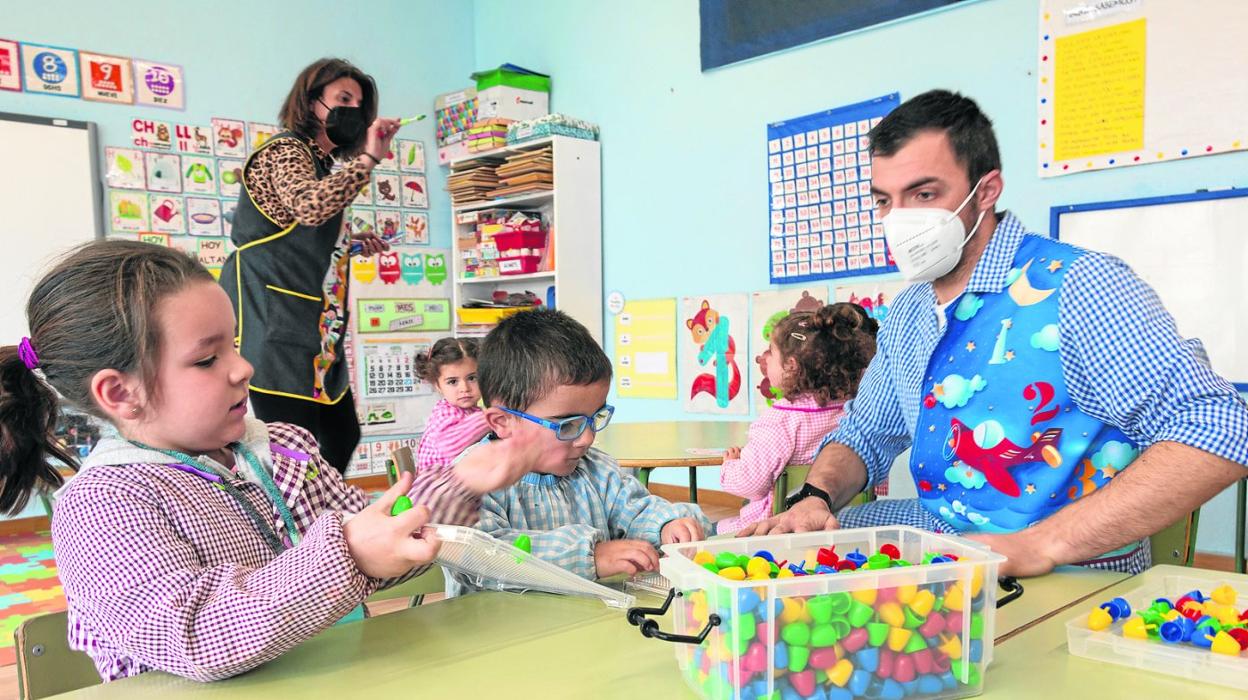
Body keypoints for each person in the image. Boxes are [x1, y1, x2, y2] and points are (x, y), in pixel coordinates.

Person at [742, 90, 1248, 578]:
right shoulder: (909, 311)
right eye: (884, 200)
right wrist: (815, 498)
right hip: (941, 549)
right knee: (762, 564)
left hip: (1062, 574)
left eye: (923, 194)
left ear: (986, 191)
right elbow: (863, 434)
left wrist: (1045, 542)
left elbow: (1221, 428)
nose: (899, 221)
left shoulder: (1079, 285)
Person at [0, 240, 537, 681]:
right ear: (121, 394)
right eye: (208, 359)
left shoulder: (282, 447)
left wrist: (458, 486)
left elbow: (385, 549)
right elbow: (195, 635)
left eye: (234, 345)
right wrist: (351, 554)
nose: (243, 368)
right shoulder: (103, 505)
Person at [447, 309, 711, 595]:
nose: (587, 438)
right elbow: (479, 556)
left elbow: (636, 511)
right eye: (567, 424)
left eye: (595, 417)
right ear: (504, 422)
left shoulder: (596, 469)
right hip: (500, 634)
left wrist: (666, 525)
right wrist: (591, 556)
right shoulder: (472, 479)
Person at [219, 57, 396, 473]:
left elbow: (299, 231)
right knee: (290, 443)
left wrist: (348, 243)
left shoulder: (323, 165)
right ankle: (295, 527)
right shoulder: (285, 150)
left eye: (360, 103)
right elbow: (309, 206)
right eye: (343, 98)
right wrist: (368, 160)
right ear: (311, 100)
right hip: (271, 315)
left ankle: (318, 518)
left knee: (340, 433)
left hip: (313, 323)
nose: (353, 110)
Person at [717, 303, 877, 534]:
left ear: (791, 366)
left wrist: (730, 466)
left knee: (711, 528)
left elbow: (750, 485)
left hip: (779, 530)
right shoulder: (855, 412)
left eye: (771, 351)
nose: (765, 358)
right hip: (847, 525)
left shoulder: (778, 423)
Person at [415, 338, 490, 471]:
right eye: (453, 382)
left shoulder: (472, 410)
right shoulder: (445, 413)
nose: (464, 388)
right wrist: (489, 417)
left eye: (472, 378)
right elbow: (451, 446)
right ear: (437, 385)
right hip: (438, 486)